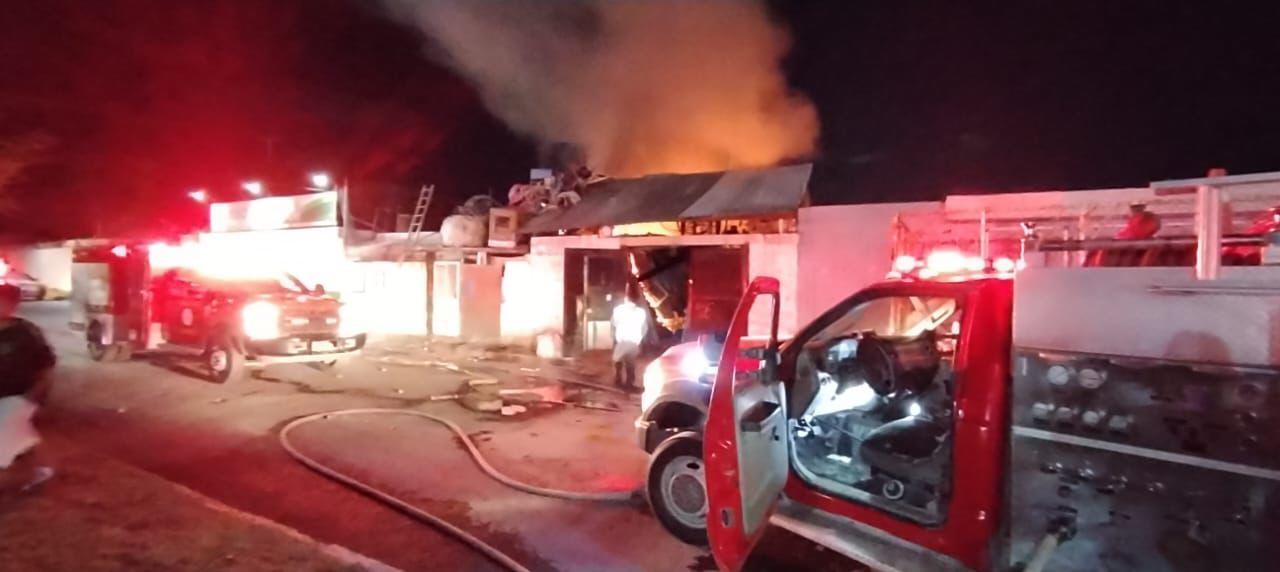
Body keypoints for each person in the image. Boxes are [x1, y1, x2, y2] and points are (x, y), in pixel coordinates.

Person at [0, 282, 56, 493]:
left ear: (13, 305)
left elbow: (47, 363)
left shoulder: (26, 333)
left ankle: (38, 470)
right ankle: (43, 468)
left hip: (21, 393)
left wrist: (38, 392)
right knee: (22, 433)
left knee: (8, 432)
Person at [610, 286, 648, 389]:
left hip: (622, 340)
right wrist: (639, 340)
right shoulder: (641, 312)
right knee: (630, 363)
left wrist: (614, 336)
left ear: (625, 298)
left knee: (618, 360)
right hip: (634, 341)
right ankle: (629, 383)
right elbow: (644, 328)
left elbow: (614, 323)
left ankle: (618, 380)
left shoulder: (618, 310)